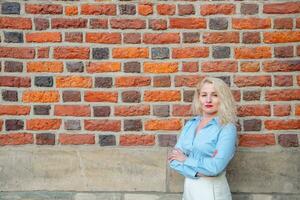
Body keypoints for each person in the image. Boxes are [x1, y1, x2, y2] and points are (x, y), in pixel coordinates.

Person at [168, 77, 238, 200]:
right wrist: (197, 172)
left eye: (215, 95)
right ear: (198, 98)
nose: (208, 100)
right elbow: (173, 160)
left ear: (222, 98)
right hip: (189, 188)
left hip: (212, 190)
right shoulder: (191, 124)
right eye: (204, 95)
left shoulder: (227, 128)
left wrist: (185, 159)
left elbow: (215, 167)